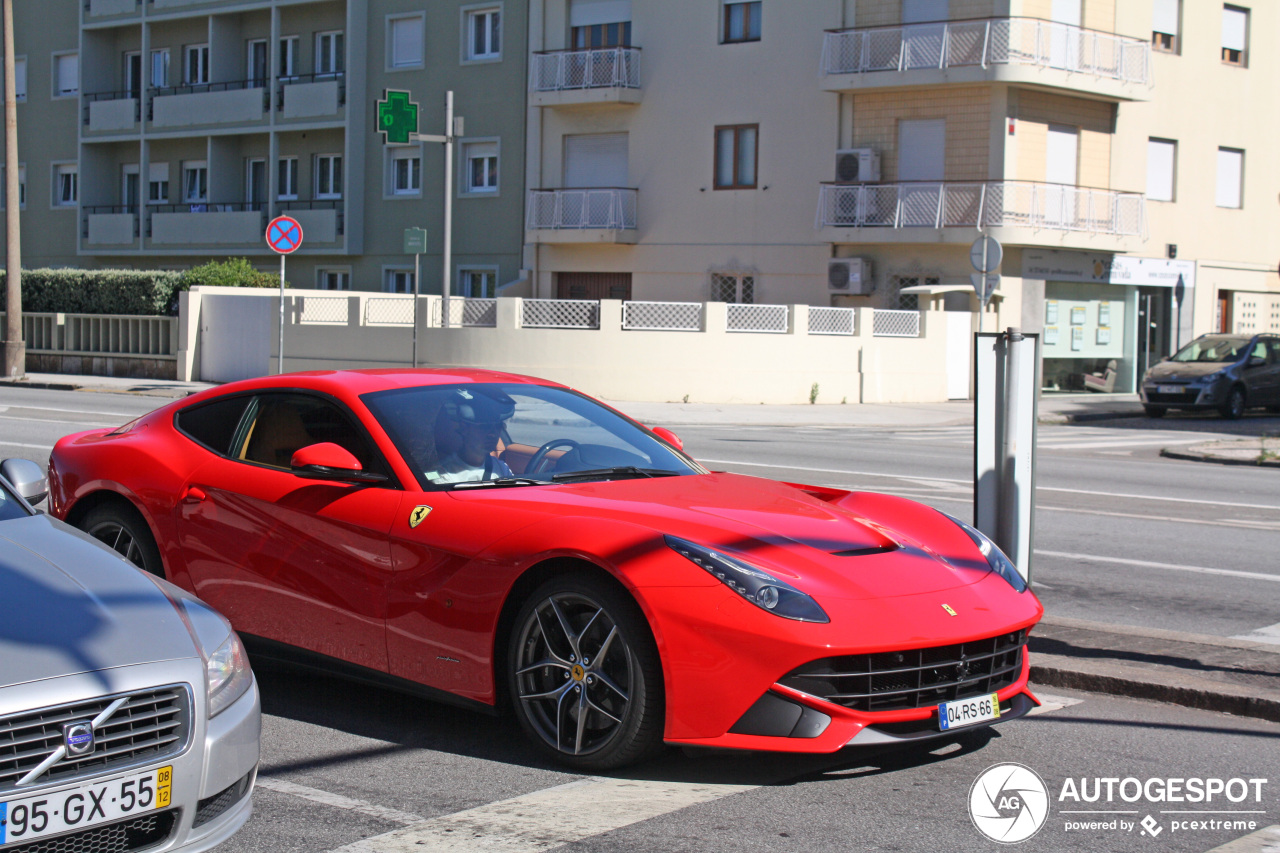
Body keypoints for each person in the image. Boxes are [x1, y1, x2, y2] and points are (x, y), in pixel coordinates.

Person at [429, 389, 517, 484]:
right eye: (484, 427)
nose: (493, 434)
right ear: (464, 429)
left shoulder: (500, 467)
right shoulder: (445, 475)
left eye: (498, 427)